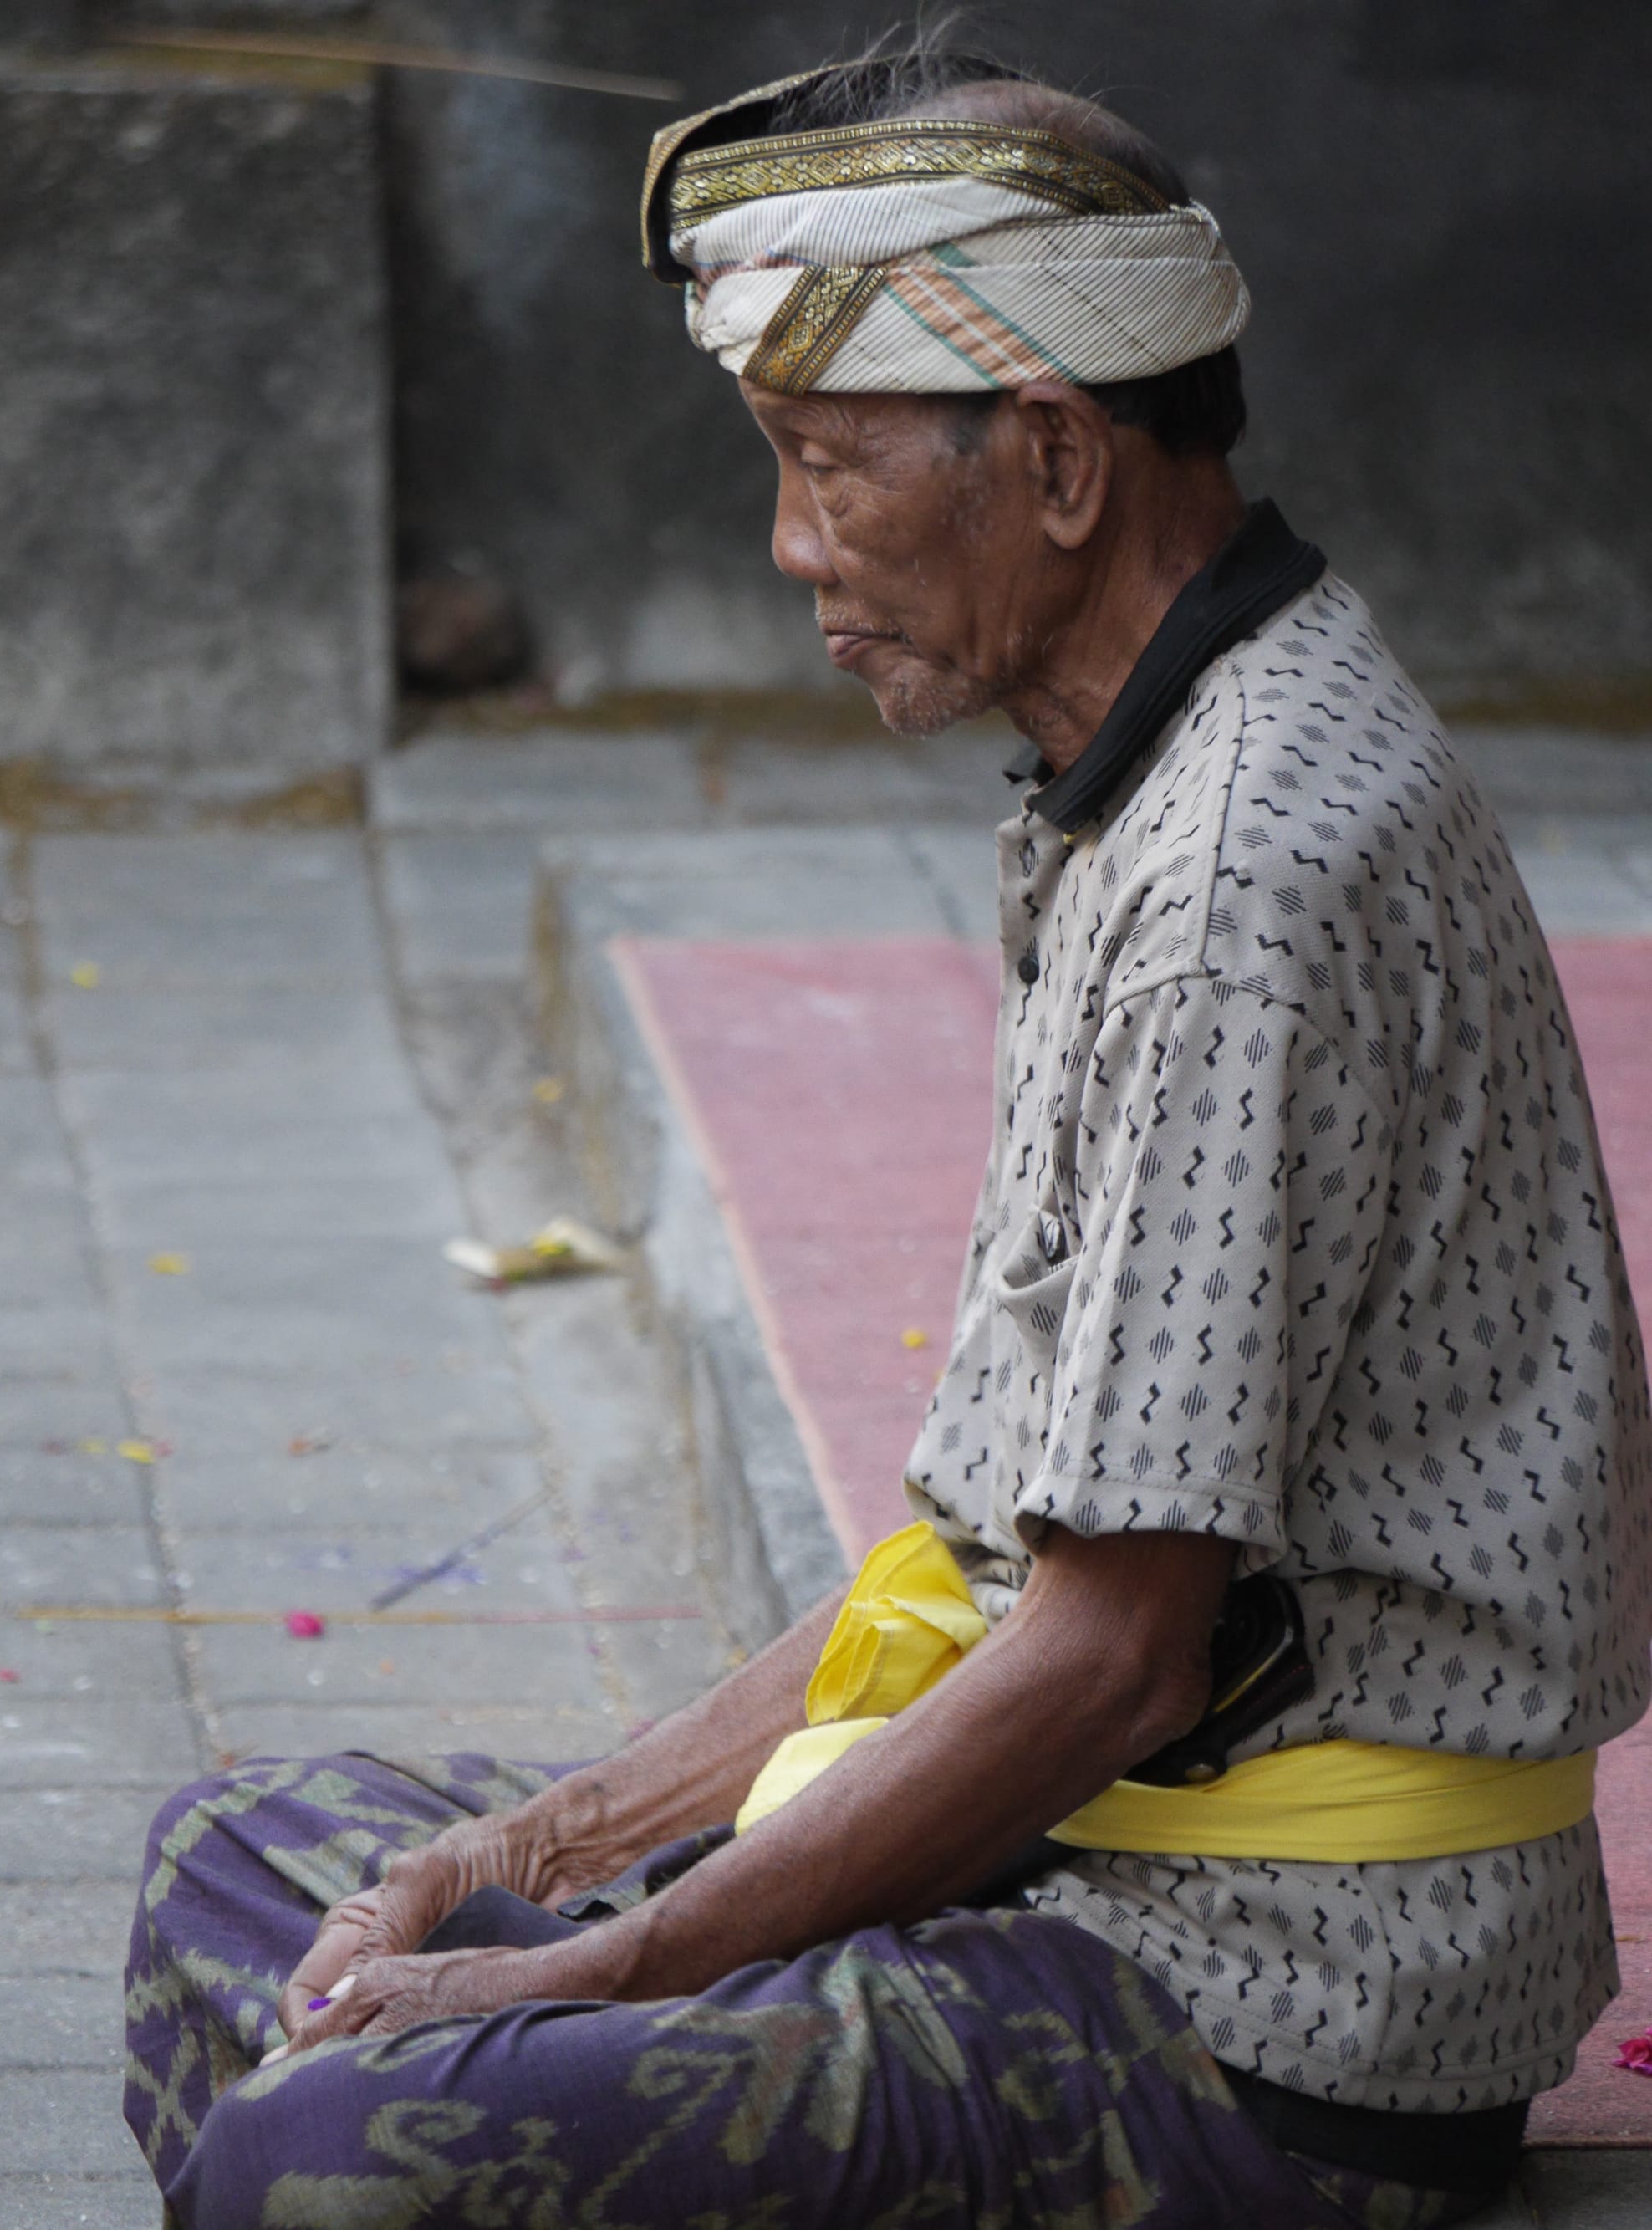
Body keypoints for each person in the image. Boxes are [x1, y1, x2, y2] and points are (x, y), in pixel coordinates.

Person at [125, 45, 1652, 2229]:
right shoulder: (1148, 767)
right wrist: (523, 1857)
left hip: (1281, 2003)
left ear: (1049, 459)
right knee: (237, 1886)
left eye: (829, 471)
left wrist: (605, 1956)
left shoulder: (1248, 871)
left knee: (345, 2144)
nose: (788, 545)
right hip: (1111, 1845)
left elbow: (1107, 1651)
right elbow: (984, 1575)